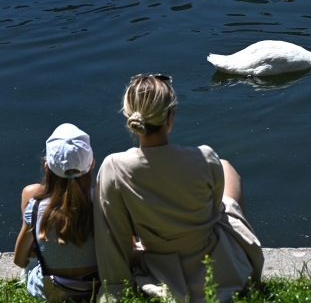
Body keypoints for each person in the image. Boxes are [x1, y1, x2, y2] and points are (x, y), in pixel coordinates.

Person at [93, 74, 263, 303]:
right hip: (218, 268)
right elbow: (215, 211)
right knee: (226, 168)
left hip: (159, 268)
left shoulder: (113, 168)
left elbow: (112, 234)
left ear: (129, 117)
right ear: (170, 118)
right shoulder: (205, 157)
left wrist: (117, 288)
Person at [14, 123, 98, 299]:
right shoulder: (103, 203)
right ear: (92, 164)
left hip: (51, 289)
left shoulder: (35, 207)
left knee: (31, 192)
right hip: (95, 287)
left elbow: (19, 261)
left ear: (47, 166)